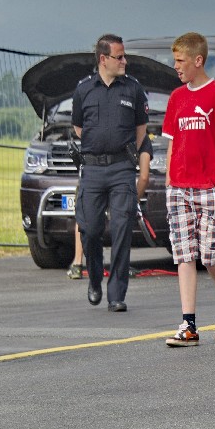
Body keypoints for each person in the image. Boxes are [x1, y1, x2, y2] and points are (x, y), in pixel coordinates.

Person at [162, 32, 215, 347]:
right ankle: (189, 324)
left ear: (198, 60)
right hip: (179, 188)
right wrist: (170, 179)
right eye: (175, 60)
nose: (176, 66)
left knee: (210, 256)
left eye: (180, 61)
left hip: (209, 188)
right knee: (184, 254)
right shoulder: (176, 98)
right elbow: (172, 142)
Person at [71, 34, 149, 312]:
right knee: (90, 230)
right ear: (103, 59)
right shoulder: (84, 90)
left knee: (122, 228)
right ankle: (94, 278)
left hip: (121, 169)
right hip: (92, 169)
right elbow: (78, 127)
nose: (124, 61)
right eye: (119, 57)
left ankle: (116, 294)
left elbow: (141, 130)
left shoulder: (133, 89)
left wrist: (125, 154)